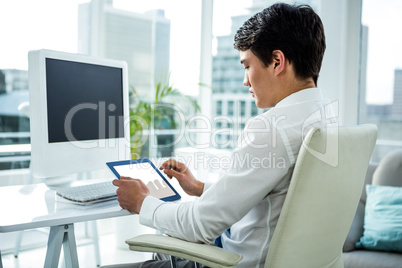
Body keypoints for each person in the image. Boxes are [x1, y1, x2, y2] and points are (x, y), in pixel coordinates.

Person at [103, 2, 335, 268]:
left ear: (277, 61)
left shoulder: (272, 129)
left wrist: (142, 202)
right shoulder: (327, 119)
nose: (245, 80)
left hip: (234, 261)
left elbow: (199, 226)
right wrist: (201, 188)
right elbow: (277, 197)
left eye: (247, 66)